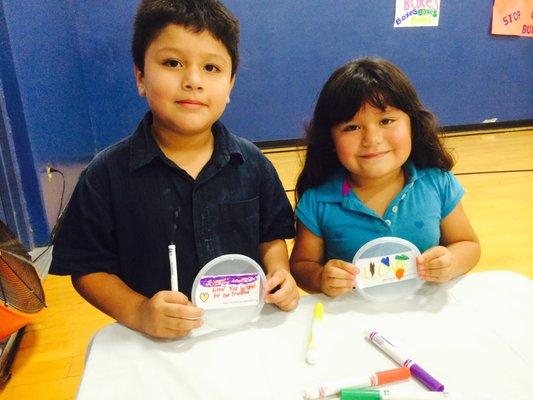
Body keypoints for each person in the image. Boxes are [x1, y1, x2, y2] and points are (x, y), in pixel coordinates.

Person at [50, 0, 299, 339]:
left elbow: (270, 236)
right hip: (157, 344)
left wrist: (279, 271)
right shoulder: (105, 175)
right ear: (140, 76)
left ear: (230, 86)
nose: (193, 80)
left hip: (243, 330)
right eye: (172, 63)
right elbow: (87, 269)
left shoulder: (253, 163)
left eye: (211, 68)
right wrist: (139, 312)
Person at [290, 58, 480, 297]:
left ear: (413, 124)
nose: (372, 138)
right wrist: (320, 278)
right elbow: (301, 265)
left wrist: (451, 262)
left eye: (386, 121)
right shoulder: (318, 201)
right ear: (330, 140)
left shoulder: (437, 184)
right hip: (352, 318)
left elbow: (469, 244)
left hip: (423, 312)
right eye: (352, 127)